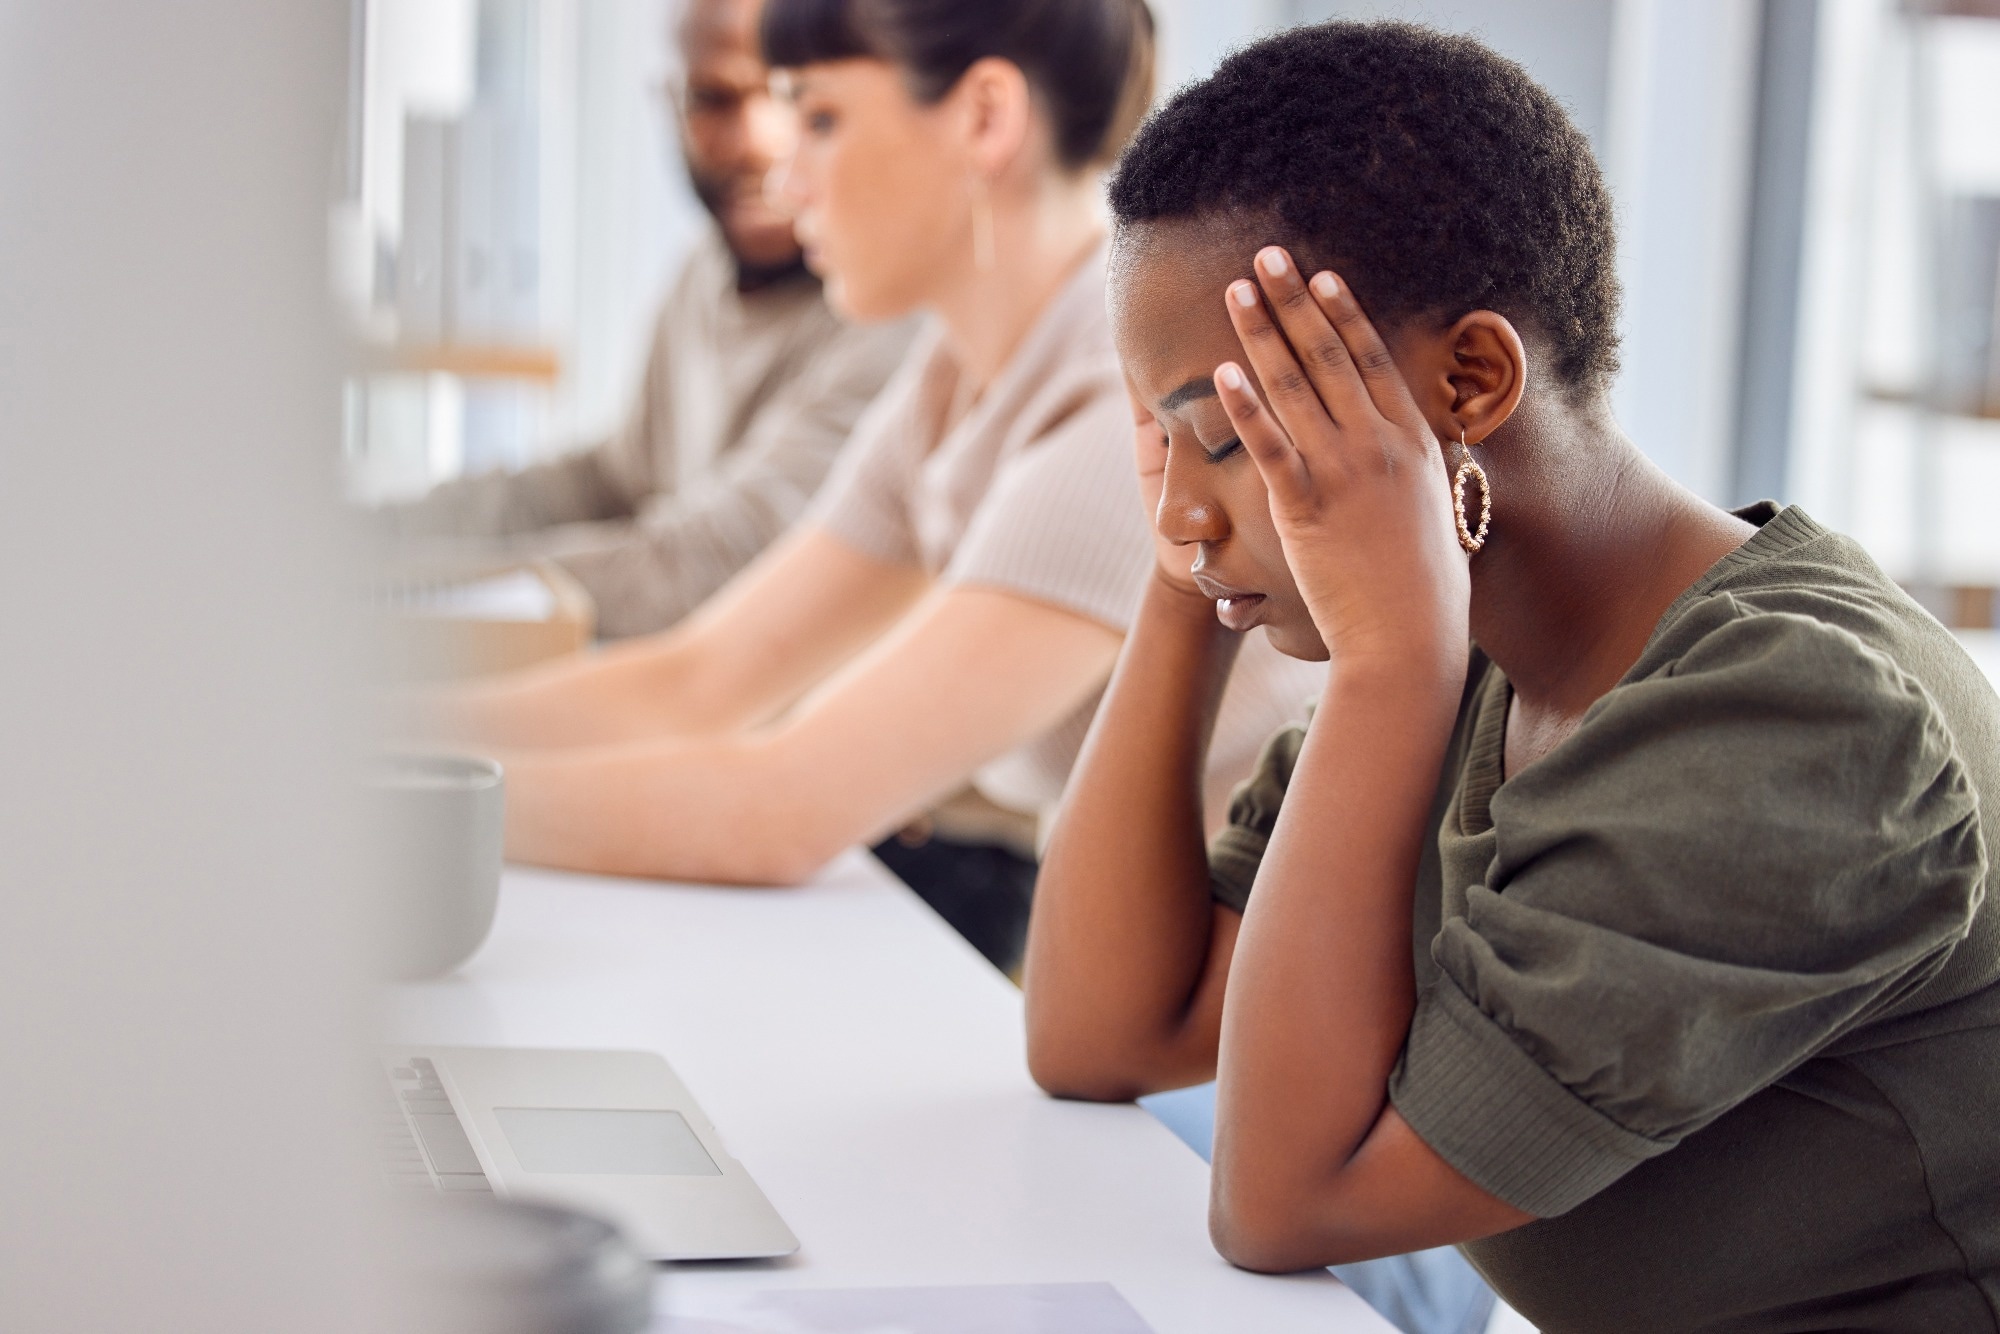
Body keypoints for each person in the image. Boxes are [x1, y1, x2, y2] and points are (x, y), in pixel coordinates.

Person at [1023, 20, 2000, 1331]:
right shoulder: (1480, 653)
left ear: (1473, 379)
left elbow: (1287, 1201)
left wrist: (1385, 669)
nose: (1183, 508)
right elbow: (1103, 1030)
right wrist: (1188, 564)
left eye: (1228, 433)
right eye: (1167, 442)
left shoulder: (1803, 725)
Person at [412, 0, 1324, 976]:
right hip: (1163, 953)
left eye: (816, 117)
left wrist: (380, 799)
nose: (781, 171)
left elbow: (781, 808)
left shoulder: (1119, 394)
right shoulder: (952, 374)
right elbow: (697, 678)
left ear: (983, 118)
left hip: (1264, 987)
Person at [380, 0, 914, 640]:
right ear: (671, 102)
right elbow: (612, 479)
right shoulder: (706, 270)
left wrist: (402, 586)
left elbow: (705, 571)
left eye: (796, 101)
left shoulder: (893, 315)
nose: (758, 142)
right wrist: (376, 534)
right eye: (713, 98)